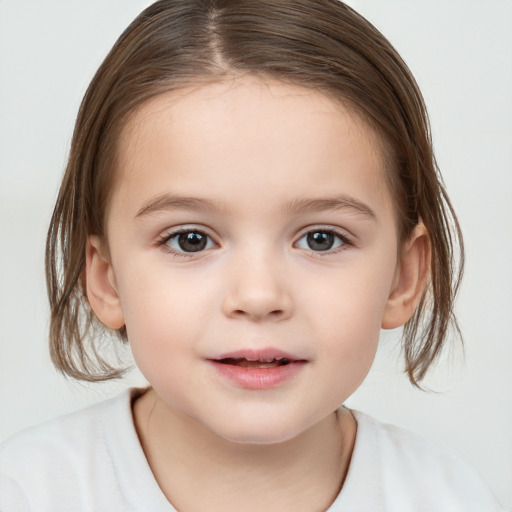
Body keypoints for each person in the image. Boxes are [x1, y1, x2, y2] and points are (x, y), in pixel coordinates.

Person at [0, 0, 506, 510]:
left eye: (321, 238)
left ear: (404, 276)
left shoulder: (449, 498)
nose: (259, 296)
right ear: (107, 280)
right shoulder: (27, 492)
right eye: (190, 239)